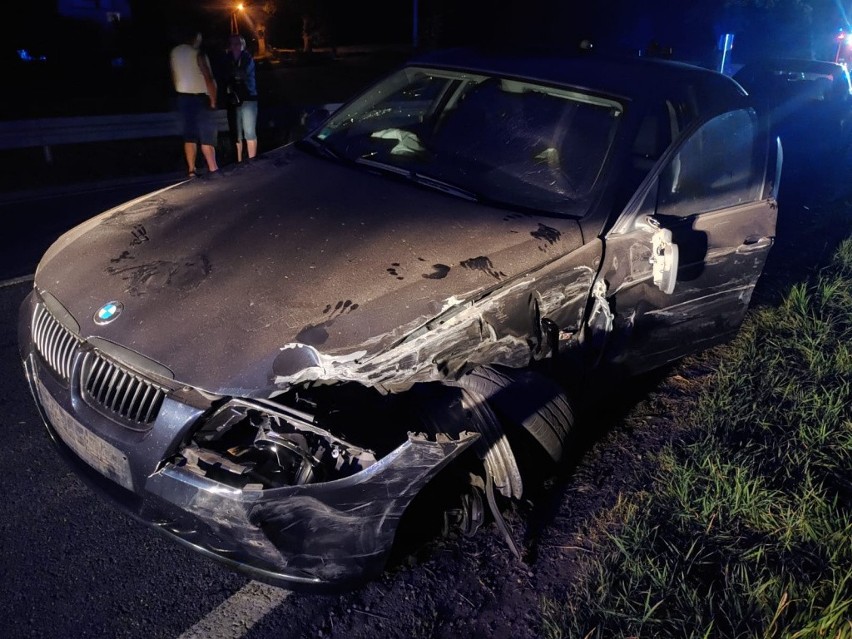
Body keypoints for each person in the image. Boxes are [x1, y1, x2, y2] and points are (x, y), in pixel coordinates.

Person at [170, 28, 219, 176]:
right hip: (199, 97)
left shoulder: (175, 53)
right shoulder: (197, 53)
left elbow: (174, 75)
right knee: (206, 135)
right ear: (194, 38)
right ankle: (213, 167)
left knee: (189, 135)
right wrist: (213, 99)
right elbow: (207, 77)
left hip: (183, 98)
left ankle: (191, 169)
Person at [224, 34, 259, 162]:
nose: (236, 46)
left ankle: (252, 162)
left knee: (249, 132)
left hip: (248, 98)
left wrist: (231, 73)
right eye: (233, 44)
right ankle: (238, 164)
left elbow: (242, 73)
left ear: (243, 45)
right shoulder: (227, 58)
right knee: (236, 135)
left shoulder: (247, 58)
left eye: (238, 44)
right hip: (233, 99)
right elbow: (224, 75)